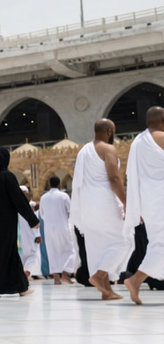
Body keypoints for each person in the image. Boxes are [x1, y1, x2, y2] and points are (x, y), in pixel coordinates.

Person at [69, 118, 131, 300]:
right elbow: (114, 179)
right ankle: (99, 275)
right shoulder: (108, 148)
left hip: (86, 204)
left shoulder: (83, 151)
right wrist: (127, 203)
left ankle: (106, 291)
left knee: (97, 246)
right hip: (104, 202)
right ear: (110, 131)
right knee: (125, 240)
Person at [0, 147, 39, 297]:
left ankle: (21, 288)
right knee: (7, 254)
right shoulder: (6, 176)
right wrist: (32, 220)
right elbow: (19, 200)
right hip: (3, 224)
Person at [123, 106, 164, 304]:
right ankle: (136, 279)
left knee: (158, 242)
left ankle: (136, 280)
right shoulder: (160, 138)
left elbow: (133, 176)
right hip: (161, 197)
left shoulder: (139, 141)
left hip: (149, 200)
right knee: (161, 245)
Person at [39, 176, 76, 284]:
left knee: (52, 251)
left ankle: (56, 278)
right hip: (62, 227)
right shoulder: (63, 196)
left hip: (48, 228)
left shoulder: (43, 197)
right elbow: (70, 211)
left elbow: (42, 214)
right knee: (70, 250)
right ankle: (65, 274)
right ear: (59, 184)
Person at [18, 187, 42, 278]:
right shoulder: (27, 207)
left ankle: (23, 277)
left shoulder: (13, 207)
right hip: (29, 237)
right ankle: (26, 272)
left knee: (21, 259)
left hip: (18, 239)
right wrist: (38, 235)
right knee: (32, 256)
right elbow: (34, 223)